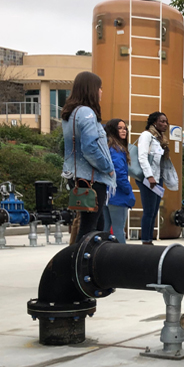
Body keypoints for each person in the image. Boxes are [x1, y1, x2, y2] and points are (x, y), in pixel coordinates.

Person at [61, 71, 115, 243]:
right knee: (89, 227)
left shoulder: (71, 113)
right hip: (91, 178)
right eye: (100, 88)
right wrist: (108, 168)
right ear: (91, 90)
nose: (101, 92)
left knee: (95, 224)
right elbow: (90, 148)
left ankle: (87, 263)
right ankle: (78, 264)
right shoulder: (87, 113)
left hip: (77, 176)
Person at [136, 111, 171, 245]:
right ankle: (146, 240)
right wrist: (150, 176)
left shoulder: (160, 139)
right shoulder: (147, 135)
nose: (165, 124)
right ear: (153, 122)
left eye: (166, 121)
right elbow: (142, 157)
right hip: (148, 179)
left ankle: (149, 238)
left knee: (154, 211)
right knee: (149, 210)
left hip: (158, 178)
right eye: (162, 121)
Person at [103, 119, 134, 243]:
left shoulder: (108, 147)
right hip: (118, 195)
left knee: (105, 230)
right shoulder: (117, 150)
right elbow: (120, 174)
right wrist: (128, 190)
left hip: (107, 194)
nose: (123, 131)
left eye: (124, 128)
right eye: (119, 128)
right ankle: (122, 258)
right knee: (118, 230)